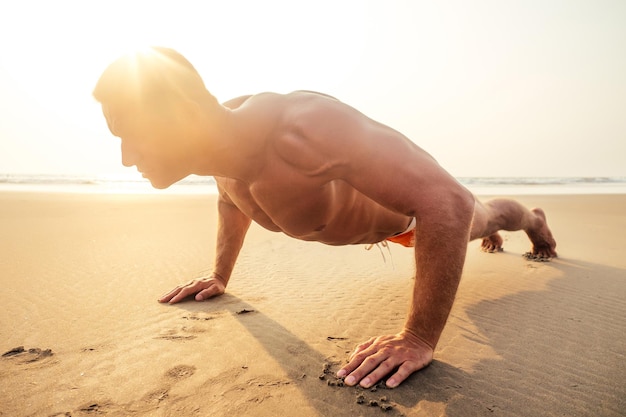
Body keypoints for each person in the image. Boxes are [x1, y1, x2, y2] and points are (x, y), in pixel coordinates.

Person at [93, 47, 557, 389]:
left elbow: (447, 203)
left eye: (129, 135)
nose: (125, 157)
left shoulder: (303, 127)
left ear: (184, 117)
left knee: (486, 215)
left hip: (420, 223)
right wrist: (220, 273)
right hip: (393, 226)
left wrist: (417, 336)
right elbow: (230, 200)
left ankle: (534, 221)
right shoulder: (218, 148)